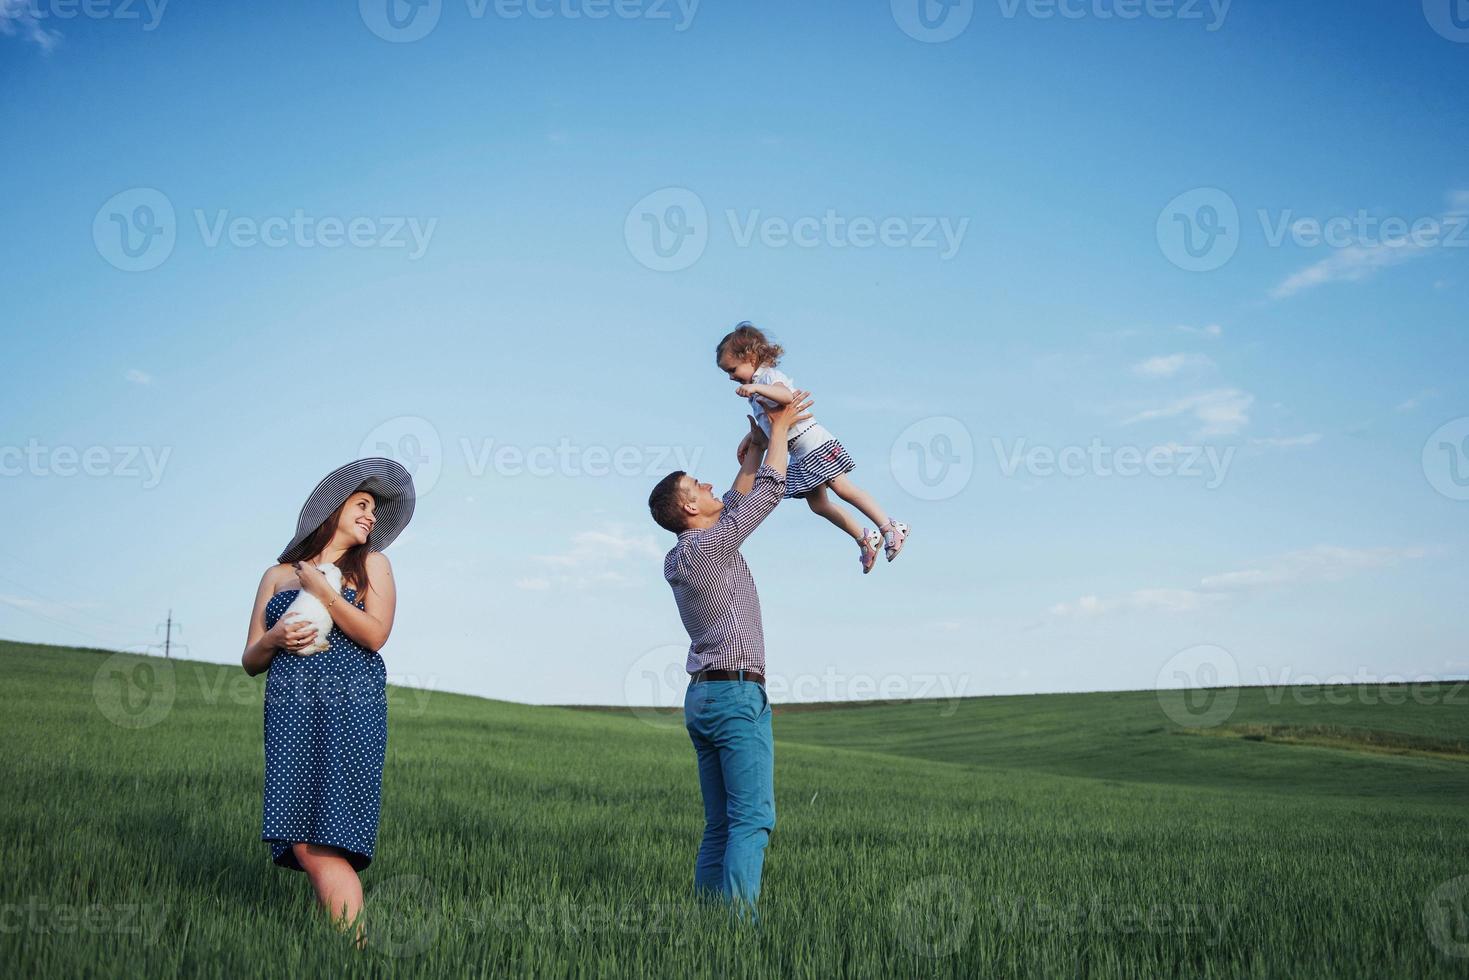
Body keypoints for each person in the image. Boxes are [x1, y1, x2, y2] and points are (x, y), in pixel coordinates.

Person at [647, 388, 814, 918]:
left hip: (704, 699)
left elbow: (738, 500)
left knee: (720, 824)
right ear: (689, 507)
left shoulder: (687, 552)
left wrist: (751, 453)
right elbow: (768, 492)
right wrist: (782, 428)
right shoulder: (713, 546)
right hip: (737, 695)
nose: (709, 483)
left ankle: (708, 923)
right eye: (698, 483)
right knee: (752, 820)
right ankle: (739, 931)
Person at [240, 458, 415, 935]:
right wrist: (274, 639)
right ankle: (350, 944)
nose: (371, 516)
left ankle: (353, 945)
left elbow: (376, 635)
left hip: (350, 708)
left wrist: (326, 592)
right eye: (362, 505)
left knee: (325, 839)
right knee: (299, 836)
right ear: (332, 508)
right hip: (290, 711)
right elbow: (250, 659)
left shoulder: (372, 564)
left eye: (375, 510)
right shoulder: (277, 576)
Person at [715, 322, 910, 574]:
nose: (731, 377)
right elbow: (772, 421)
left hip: (813, 442)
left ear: (750, 357)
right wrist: (750, 438)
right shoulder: (757, 387)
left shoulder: (768, 377)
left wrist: (755, 387)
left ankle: (889, 526)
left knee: (843, 488)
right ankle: (865, 537)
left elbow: (785, 397)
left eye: (732, 369)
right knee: (818, 505)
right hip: (798, 453)